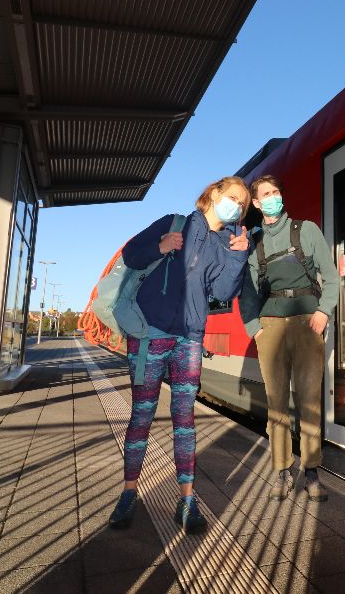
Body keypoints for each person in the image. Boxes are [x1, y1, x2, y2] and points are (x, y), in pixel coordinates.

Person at [108, 176, 250, 534]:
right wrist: (160, 245)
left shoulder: (224, 244)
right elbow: (130, 255)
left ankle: (187, 500)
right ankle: (128, 494)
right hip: (149, 332)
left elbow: (222, 292)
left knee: (184, 419)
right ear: (214, 193)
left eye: (242, 204)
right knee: (142, 414)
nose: (236, 205)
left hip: (189, 338)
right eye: (232, 197)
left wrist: (238, 256)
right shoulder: (174, 222)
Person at [239, 175, 339, 502]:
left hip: (307, 322)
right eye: (265, 195)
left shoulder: (306, 230)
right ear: (255, 203)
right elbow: (248, 293)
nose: (272, 198)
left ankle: (311, 471)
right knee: (276, 404)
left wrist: (323, 311)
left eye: (276, 192)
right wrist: (256, 329)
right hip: (271, 327)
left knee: (309, 401)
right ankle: (282, 470)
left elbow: (333, 277)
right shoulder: (255, 244)